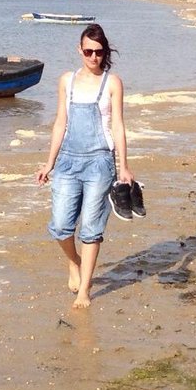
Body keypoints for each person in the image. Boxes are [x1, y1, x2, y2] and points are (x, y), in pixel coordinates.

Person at [36, 24, 134, 308]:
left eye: (99, 52)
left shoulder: (112, 83)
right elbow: (60, 123)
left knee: (91, 229)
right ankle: (74, 262)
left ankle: (85, 291)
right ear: (79, 50)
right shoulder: (66, 80)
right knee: (60, 226)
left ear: (105, 53)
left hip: (100, 162)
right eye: (88, 51)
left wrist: (124, 166)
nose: (93, 57)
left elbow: (117, 125)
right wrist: (49, 163)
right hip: (67, 160)